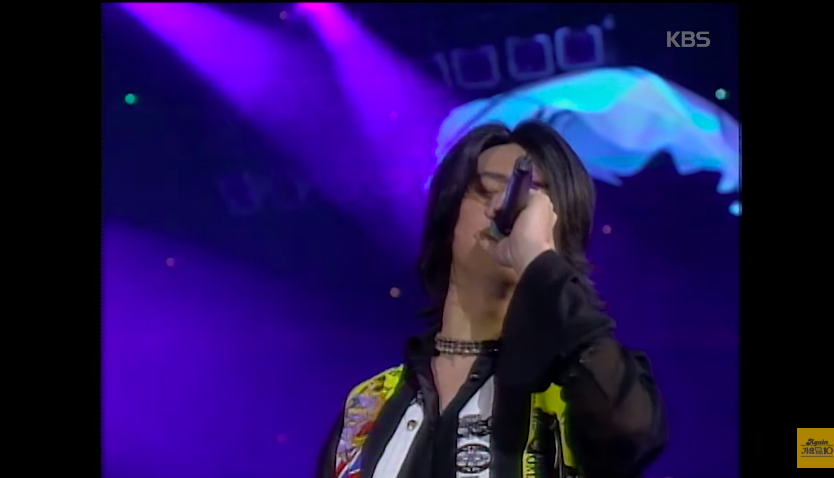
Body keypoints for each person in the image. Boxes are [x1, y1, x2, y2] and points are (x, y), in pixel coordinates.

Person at [315, 120, 667, 478]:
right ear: (449, 214)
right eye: (490, 189)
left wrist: (537, 259)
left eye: (532, 199)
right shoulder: (368, 404)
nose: (507, 208)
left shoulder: (581, 388)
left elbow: (631, 430)